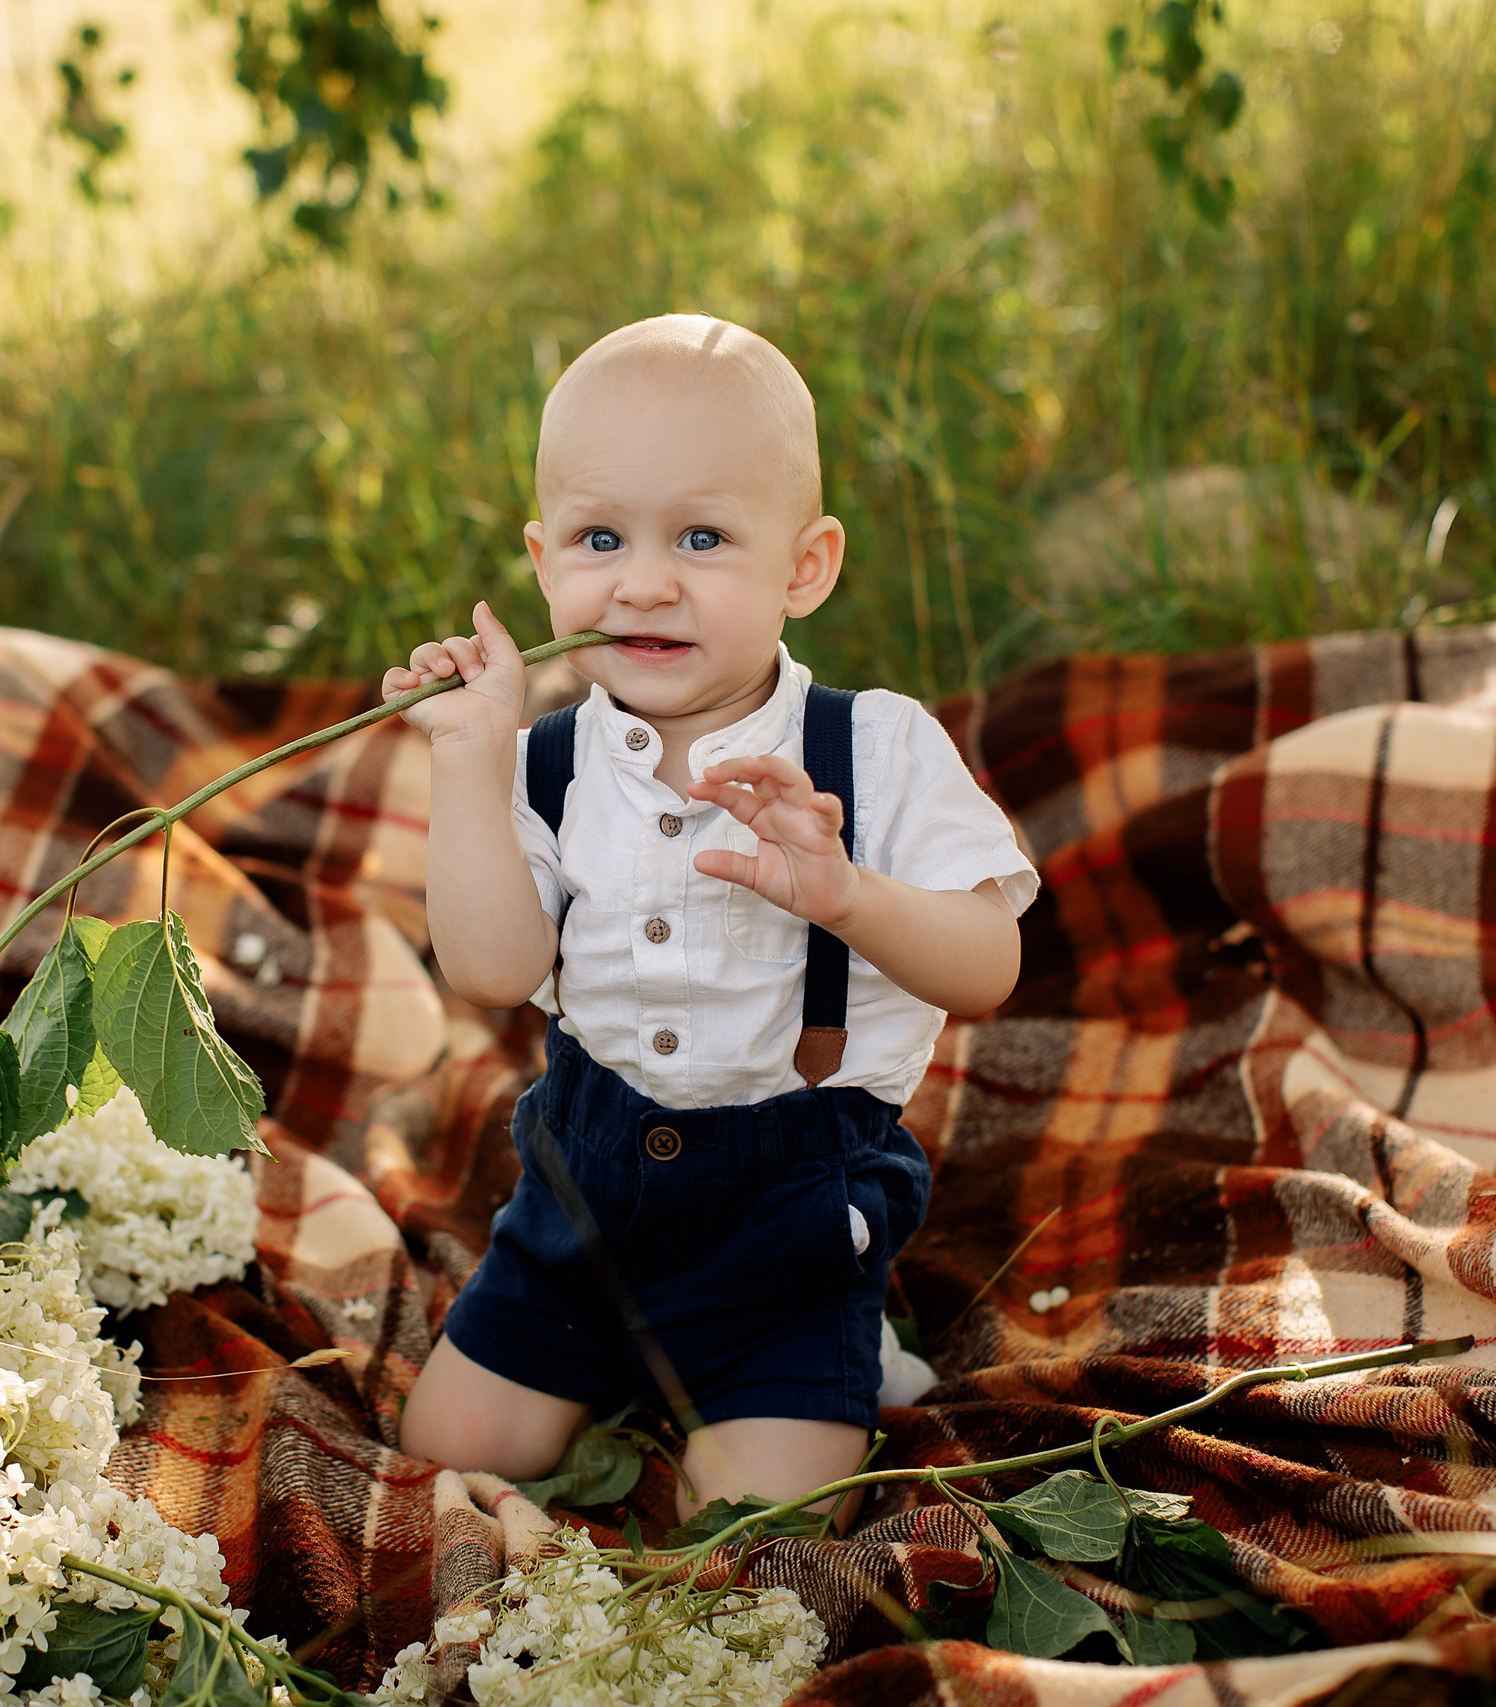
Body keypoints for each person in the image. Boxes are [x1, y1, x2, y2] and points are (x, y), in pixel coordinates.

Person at [382, 313, 1038, 1521]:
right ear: (540, 561)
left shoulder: (872, 746)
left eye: (700, 536)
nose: (641, 581)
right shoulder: (541, 764)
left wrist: (848, 895)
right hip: (578, 1212)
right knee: (448, 1456)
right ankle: (608, 1364)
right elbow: (488, 970)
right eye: (597, 538)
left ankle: (828, 1359)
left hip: (785, 1230)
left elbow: (989, 964)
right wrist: (468, 764)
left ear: (805, 566)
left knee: (751, 1526)